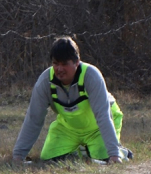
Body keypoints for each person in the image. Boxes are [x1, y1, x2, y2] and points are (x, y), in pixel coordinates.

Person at [13, 36, 131, 165]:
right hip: (70, 128)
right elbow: (34, 118)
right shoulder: (45, 81)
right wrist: (19, 155)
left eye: (64, 64)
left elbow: (103, 115)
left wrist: (113, 154)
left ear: (76, 62)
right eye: (56, 63)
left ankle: (120, 151)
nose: (59, 69)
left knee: (104, 157)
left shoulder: (91, 76)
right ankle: (82, 150)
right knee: (48, 158)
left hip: (100, 125)